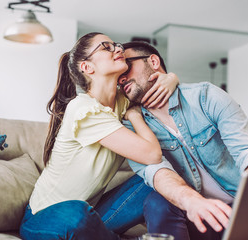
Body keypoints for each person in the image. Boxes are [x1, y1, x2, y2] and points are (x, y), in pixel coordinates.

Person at [118, 41, 248, 240]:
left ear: (153, 61)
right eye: (118, 74)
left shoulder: (205, 96)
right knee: (157, 202)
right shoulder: (132, 127)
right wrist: (193, 202)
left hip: (243, 198)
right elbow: (158, 172)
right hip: (201, 214)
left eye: (128, 65)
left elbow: (245, 149)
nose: (122, 76)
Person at [19, 33, 179, 240]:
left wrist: (171, 78)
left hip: (92, 215)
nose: (118, 49)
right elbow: (151, 154)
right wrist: (134, 116)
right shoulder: (82, 109)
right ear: (87, 67)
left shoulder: (122, 100)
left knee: (160, 179)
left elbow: (151, 87)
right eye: (106, 47)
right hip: (45, 218)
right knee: (76, 213)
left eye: (116, 45)